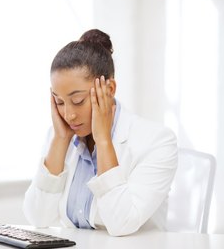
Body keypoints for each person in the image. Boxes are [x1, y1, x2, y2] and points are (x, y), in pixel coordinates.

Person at [23, 29, 178, 236]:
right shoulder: (59, 135)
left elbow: (121, 224)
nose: (68, 115)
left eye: (78, 101)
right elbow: (37, 218)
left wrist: (103, 140)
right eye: (59, 102)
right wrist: (60, 140)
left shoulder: (157, 141)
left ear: (110, 89)